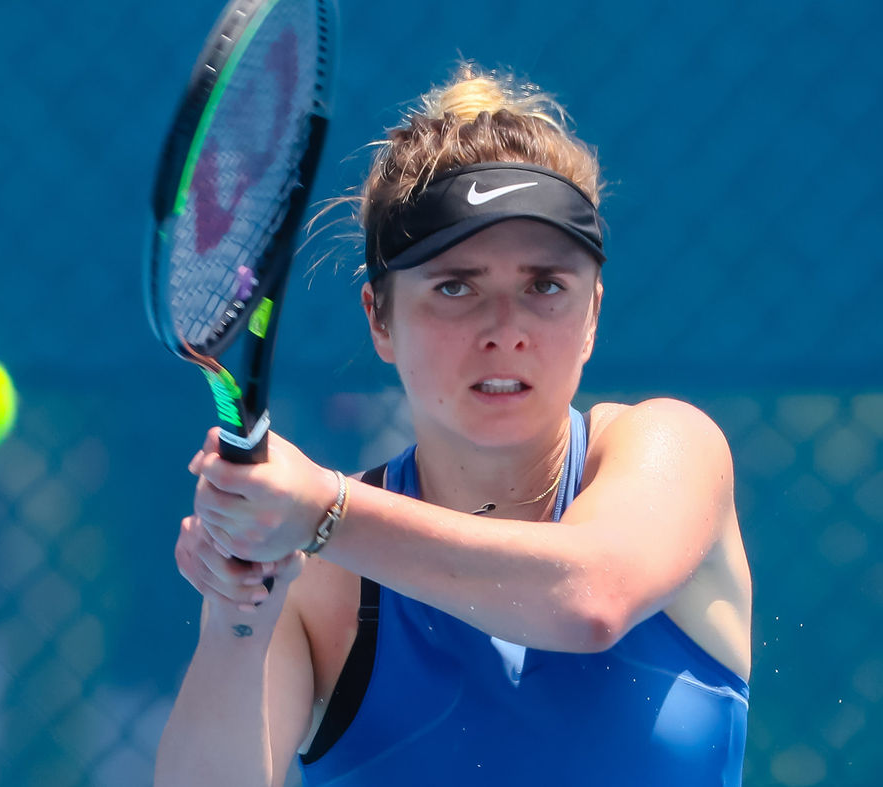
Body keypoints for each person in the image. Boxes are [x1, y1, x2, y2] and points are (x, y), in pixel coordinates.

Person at [154, 64, 752, 786]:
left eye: (545, 286)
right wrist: (237, 615)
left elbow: (590, 599)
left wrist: (322, 511)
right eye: (456, 286)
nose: (505, 329)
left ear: (592, 312)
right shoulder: (321, 577)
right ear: (380, 317)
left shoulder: (670, 447)